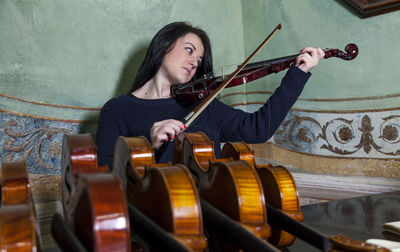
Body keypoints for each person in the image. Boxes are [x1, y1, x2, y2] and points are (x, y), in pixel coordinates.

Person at [95, 22, 325, 169]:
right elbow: (106, 176)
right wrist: (148, 147)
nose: (194, 62)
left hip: (209, 213)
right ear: (163, 46)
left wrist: (298, 73)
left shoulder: (203, 104)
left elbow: (260, 129)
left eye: (199, 60)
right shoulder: (117, 109)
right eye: (189, 49)